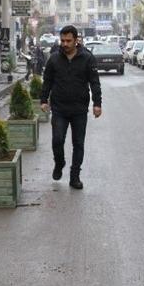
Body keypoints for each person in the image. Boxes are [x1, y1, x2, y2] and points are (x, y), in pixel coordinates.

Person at [40, 25, 102, 190]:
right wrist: (43, 100)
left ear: (76, 40)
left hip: (79, 109)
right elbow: (47, 82)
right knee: (57, 140)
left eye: (68, 41)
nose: (65, 44)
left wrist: (97, 104)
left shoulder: (88, 58)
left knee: (78, 144)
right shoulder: (54, 59)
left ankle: (75, 176)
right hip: (59, 109)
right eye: (62, 40)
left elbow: (94, 82)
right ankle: (59, 163)